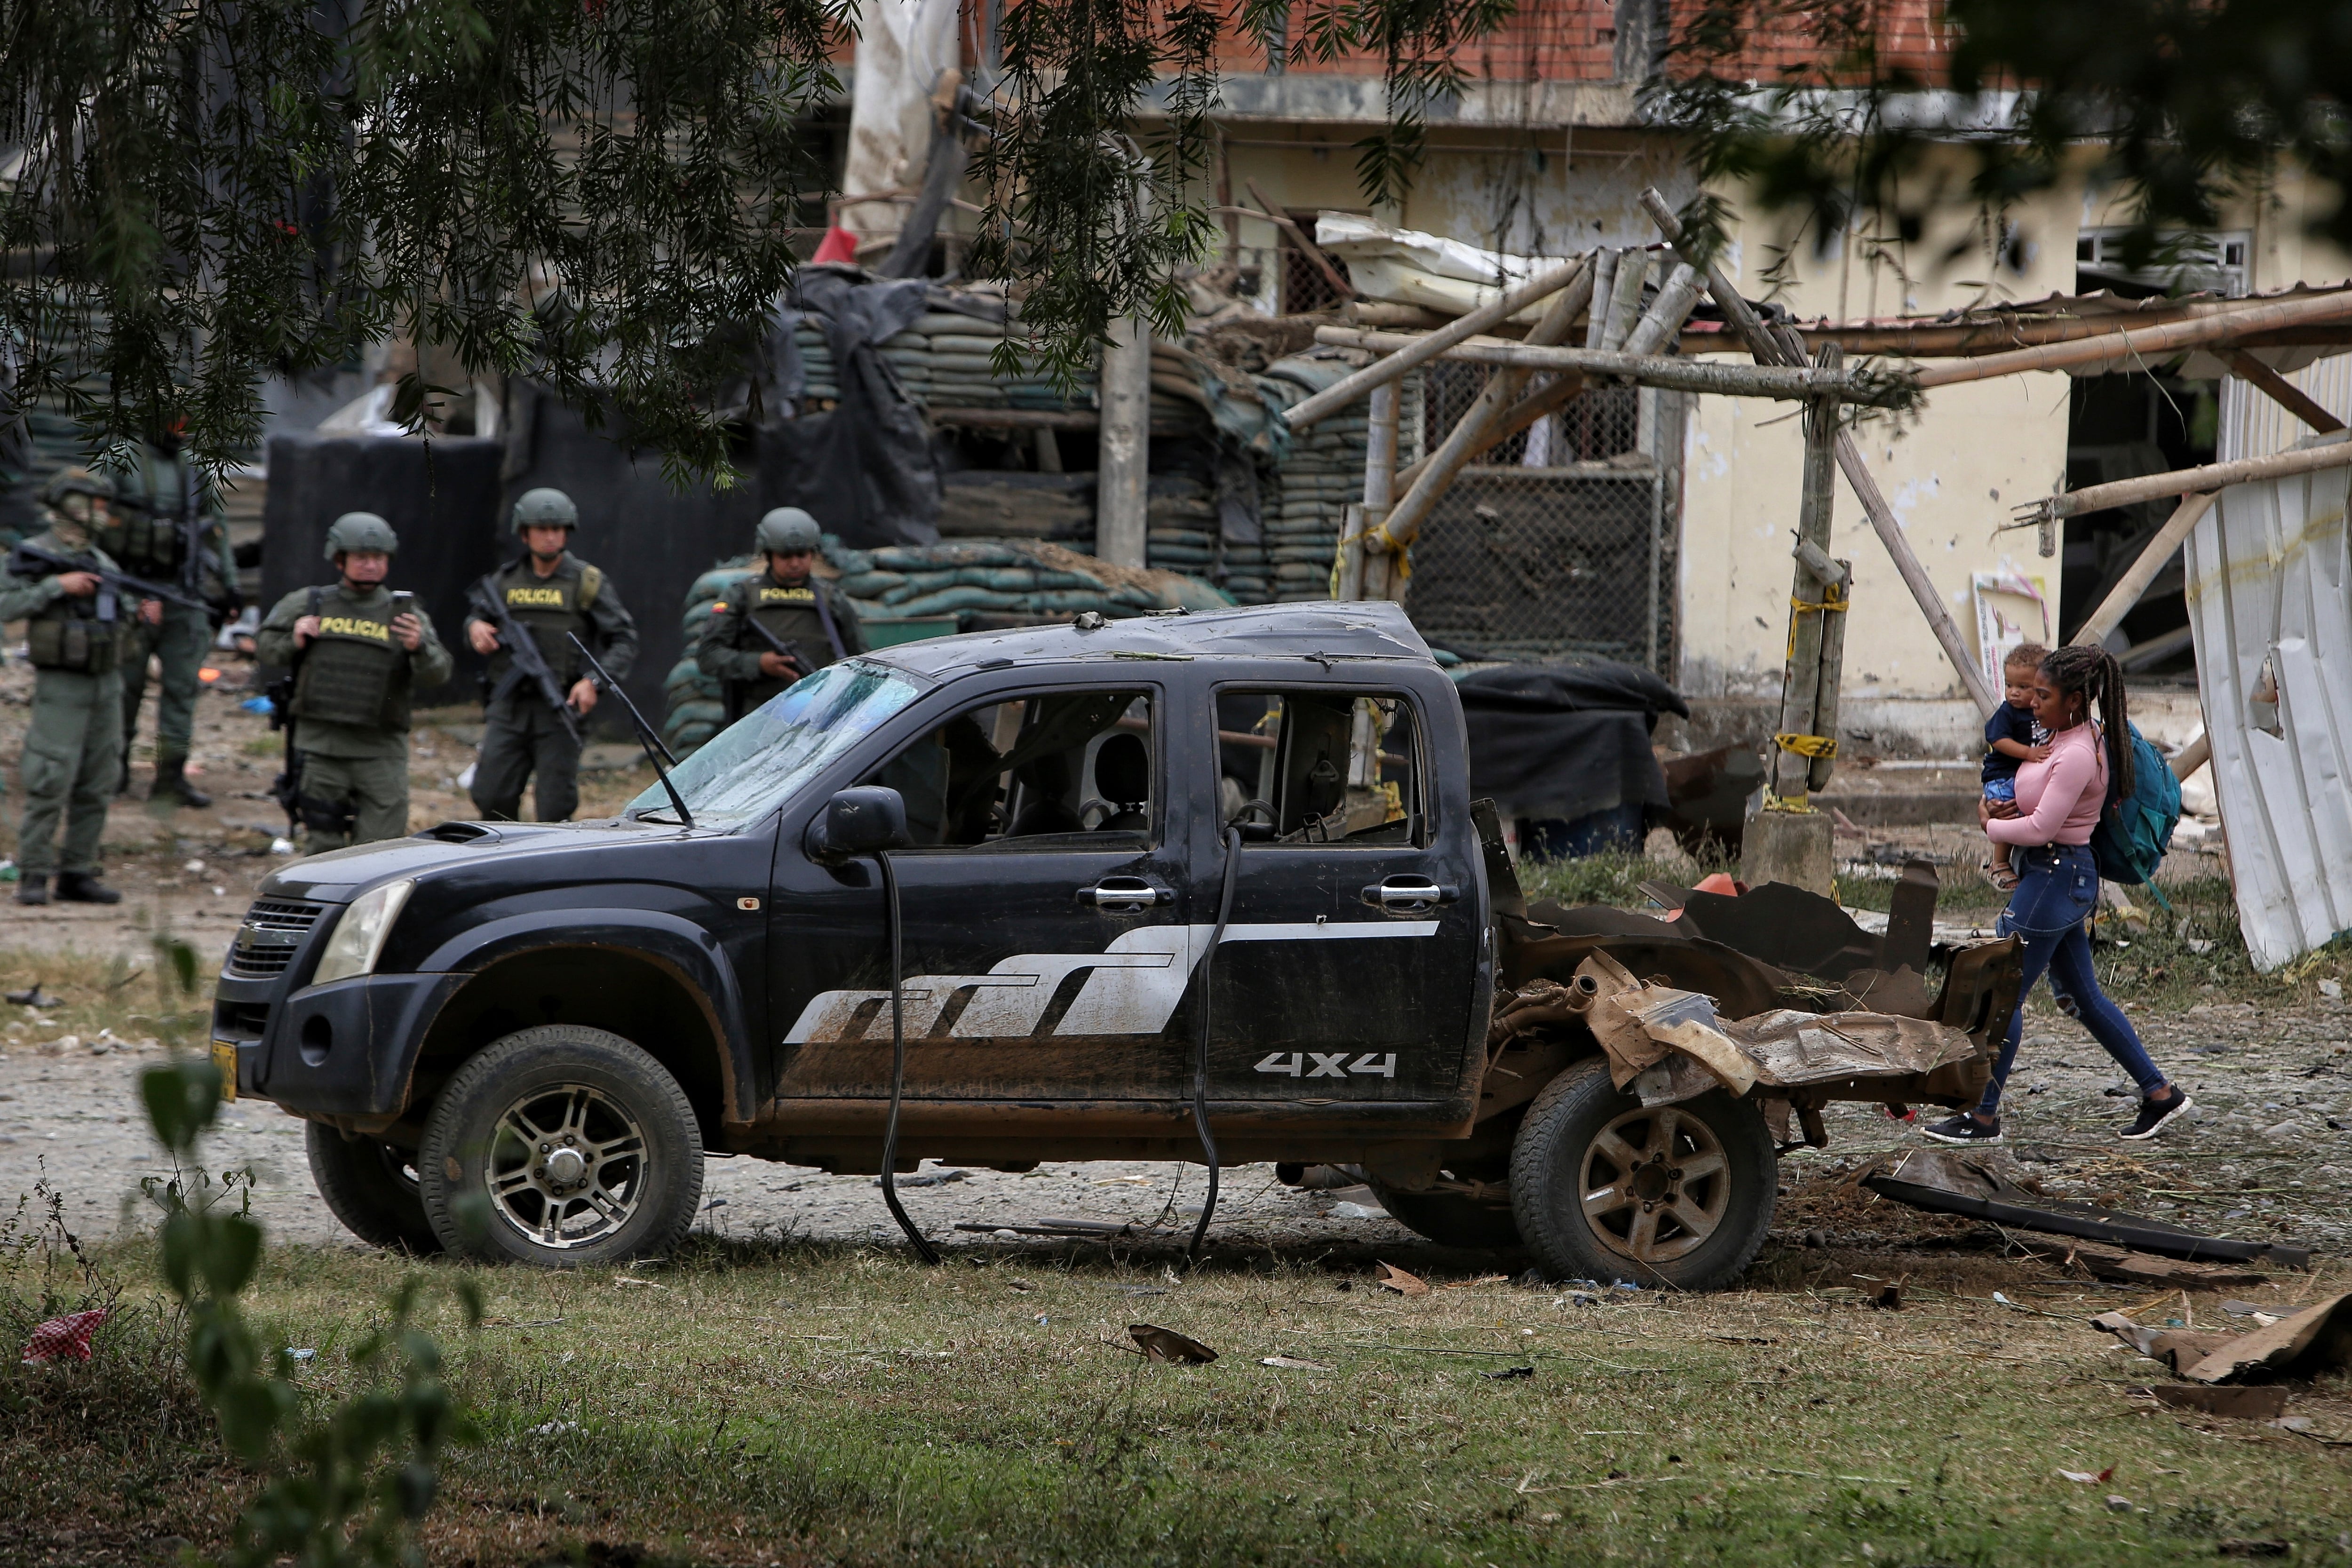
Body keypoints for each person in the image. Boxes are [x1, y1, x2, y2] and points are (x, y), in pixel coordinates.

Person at [1924, 644, 2193, 1146]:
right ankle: (2160, 1095)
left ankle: (1981, 1118)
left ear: (2073, 700)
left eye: (2043, 695)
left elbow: (2046, 825)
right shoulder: (2072, 734)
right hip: (2060, 880)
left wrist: (1990, 823)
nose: (2032, 703)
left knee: (2003, 997)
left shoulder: (2072, 754)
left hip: (2053, 876)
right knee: (2083, 998)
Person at [1, 468, 159, 905]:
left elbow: (122, 614)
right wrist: (57, 585)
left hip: (105, 683)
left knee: (98, 780)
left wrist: (141, 615)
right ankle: (33, 873)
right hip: (62, 686)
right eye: (96, 504)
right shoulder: (33, 554)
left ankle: (77, 870)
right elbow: (7, 603)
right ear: (71, 504)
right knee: (50, 778)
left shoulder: (103, 561)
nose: (103, 514)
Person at [253, 513, 452, 849]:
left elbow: (440, 674)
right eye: (361, 557)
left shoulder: (406, 614)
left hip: (380, 751)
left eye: (378, 558)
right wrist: (295, 639)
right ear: (340, 559)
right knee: (322, 851)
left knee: (380, 852)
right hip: (321, 749)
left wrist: (419, 648)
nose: (371, 566)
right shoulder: (310, 603)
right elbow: (265, 648)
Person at [465, 487, 637, 823]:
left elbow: (624, 640)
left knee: (555, 806)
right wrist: (474, 628)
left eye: (557, 529)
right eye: (541, 529)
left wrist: (593, 682)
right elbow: (477, 618)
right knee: (491, 795)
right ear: (524, 533)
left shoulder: (587, 583)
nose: (550, 537)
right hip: (509, 707)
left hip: (559, 708)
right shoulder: (503, 582)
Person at [101, 430, 238, 807]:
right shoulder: (121, 459)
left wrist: (230, 586)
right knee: (125, 687)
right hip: (131, 591)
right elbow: (93, 524)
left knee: (182, 691)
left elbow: (217, 532)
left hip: (182, 595)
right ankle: (114, 771)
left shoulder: (194, 468)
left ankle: (171, 778)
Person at [696, 507, 866, 721]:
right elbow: (709, 656)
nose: (795, 563)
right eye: (785, 556)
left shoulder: (831, 597)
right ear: (768, 554)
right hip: (759, 717)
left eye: (802, 554)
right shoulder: (742, 595)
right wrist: (759, 663)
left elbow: (861, 659)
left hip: (820, 715)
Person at [1981, 642, 2051, 891]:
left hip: (2026, 775)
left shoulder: (2046, 713)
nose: (2014, 693)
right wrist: (2028, 753)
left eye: (2024, 687)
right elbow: (1997, 740)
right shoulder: (2008, 712)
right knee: (2009, 813)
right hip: (2003, 776)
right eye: (2009, 685)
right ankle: (1998, 863)